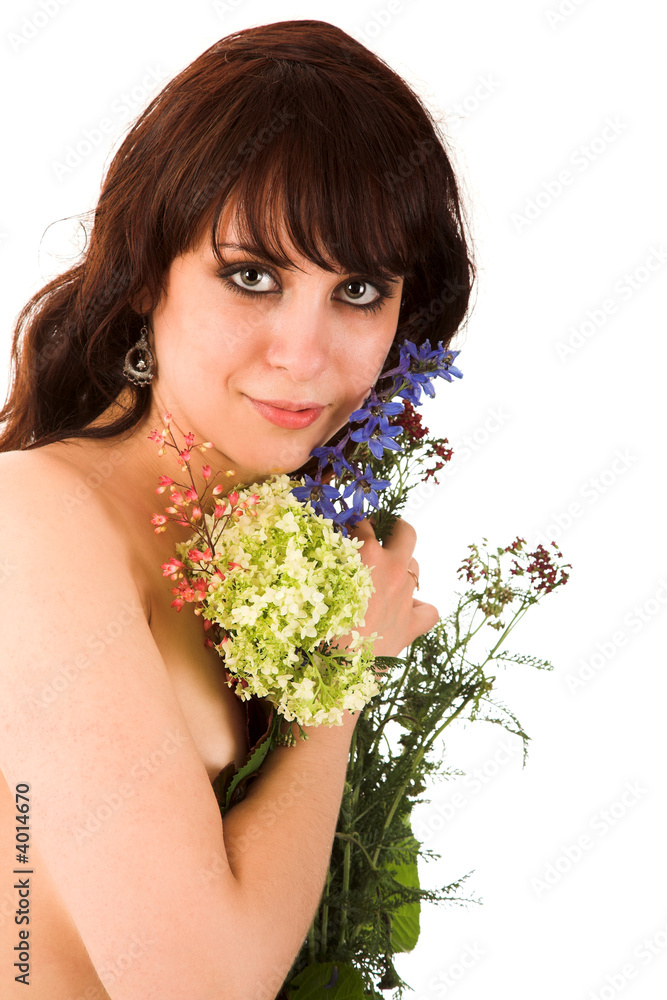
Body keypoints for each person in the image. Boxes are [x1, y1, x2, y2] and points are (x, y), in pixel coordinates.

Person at [0, 19, 474, 1000]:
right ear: (144, 276)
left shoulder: (275, 542)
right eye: (251, 275)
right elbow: (197, 986)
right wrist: (336, 680)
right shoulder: (34, 521)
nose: (304, 353)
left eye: (357, 289)